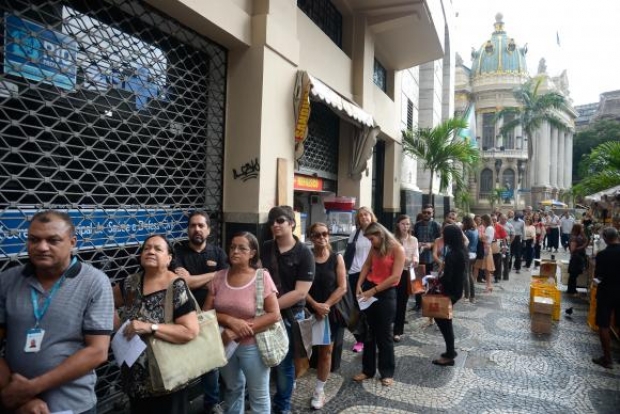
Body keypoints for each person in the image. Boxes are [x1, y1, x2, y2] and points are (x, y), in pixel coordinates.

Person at [0, 210, 114, 414]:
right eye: (34, 239)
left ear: (72, 242)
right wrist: (18, 396)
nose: (42, 247)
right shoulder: (7, 280)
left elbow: (97, 351)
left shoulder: (95, 282)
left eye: (53, 240)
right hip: (17, 404)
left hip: (73, 406)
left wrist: (31, 388)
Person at [114, 235, 200, 414]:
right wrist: (117, 327)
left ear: (169, 258)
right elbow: (105, 301)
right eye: (147, 248)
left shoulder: (176, 286)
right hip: (135, 380)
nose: (151, 251)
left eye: (158, 249)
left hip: (167, 379)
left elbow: (190, 331)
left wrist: (150, 327)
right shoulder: (130, 282)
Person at [205, 232, 281, 414]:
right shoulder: (218, 277)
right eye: (232, 247)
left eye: (242, 248)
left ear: (252, 253)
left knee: (259, 394)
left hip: (252, 346)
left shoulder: (261, 278)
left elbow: (274, 314)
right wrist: (229, 321)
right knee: (232, 389)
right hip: (225, 343)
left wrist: (238, 331)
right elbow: (206, 312)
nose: (235, 251)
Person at [261, 206, 314, 414]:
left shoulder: (304, 253)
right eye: (272, 221)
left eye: (280, 221)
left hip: (290, 315)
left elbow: (300, 293)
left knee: (284, 366)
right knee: (261, 361)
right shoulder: (265, 247)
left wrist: (270, 309)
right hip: (264, 314)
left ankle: (282, 406)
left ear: (292, 223)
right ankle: (260, 401)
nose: (275, 225)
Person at [173, 211, 228, 414]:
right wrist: (214, 274)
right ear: (188, 230)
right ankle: (181, 406)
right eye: (193, 226)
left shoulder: (218, 253)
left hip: (210, 315)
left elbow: (224, 280)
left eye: (201, 225)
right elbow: (182, 282)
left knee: (210, 363)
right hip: (182, 316)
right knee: (182, 362)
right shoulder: (178, 252)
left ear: (208, 229)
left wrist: (194, 279)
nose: (197, 229)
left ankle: (212, 403)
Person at [352, 222, 405, 387]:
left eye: (372, 238)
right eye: (368, 239)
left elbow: (395, 277)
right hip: (370, 288)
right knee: (368, 332)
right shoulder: (375, 248)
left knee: (384, 335)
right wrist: (359, 284)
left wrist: (373, 291)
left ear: (381, 234)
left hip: (385, 293)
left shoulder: (397, 249)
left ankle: (387, 372)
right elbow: (367, 265)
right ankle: (367, 370)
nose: (370, 242)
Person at [305, 223, 346, 409]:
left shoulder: (337, 258)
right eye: (317, 235)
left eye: (325, 234)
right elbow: (299, 286)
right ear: (311, 238)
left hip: (329, 312)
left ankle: (319, 390)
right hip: (307, 310)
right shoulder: (306, 258)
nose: (322, 237)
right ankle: (292, 383)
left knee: (325, 352)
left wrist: (326, 306)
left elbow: (342, 287)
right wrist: (314, 305)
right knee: (301, 351)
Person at [431, 224, 466, 366]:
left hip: (449, 292)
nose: (443, 237)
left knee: (444, 321)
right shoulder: (461, 250)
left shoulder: (453, 254)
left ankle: (450, 354)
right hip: (456, 290)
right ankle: (450, 351)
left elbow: (448, 277)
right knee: (445, 320)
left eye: (444, 234)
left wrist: (436, 280)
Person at [345, 206, 377, 353]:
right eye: (361, 215)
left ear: (371, 216)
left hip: (369, 275)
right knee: (356, 309)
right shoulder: (355, 234)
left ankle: (371, 337)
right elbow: (349, 253)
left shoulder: (377, 233)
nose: (364, 217)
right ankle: (360, 339)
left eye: (366, 215)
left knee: (368, 307)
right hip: (353, 274)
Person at [592, 227, 620, 369]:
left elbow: (598, 277)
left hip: (606, 293)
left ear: (605, 238)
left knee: (604, 325)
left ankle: (607, 358)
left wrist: (595, 282)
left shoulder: (602, 254)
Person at [393, 215, 419, 342]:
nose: (406, 226)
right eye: (403, 224)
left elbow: (416, 258)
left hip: (406, 273)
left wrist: (412, 260)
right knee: (391, 302)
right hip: (392, 273)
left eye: (408, 224)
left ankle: (398, 330)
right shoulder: (393, 239)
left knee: (402, 303)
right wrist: (408, 260)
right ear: (398, 224)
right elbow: (391, 258)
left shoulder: (413, 240)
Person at [412, 204, 441, 310]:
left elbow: (440, 241)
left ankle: (429, 304)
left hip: (431, 259)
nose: (426, 214)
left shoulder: (436, 225)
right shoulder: (417, 225)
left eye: (429, 212)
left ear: (432, 213)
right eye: (424, 212)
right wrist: (417, 244)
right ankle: (418, 303)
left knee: (430, 282)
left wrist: (431, 244)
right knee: (418, 282)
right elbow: (413, 239)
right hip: (418, 257)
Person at [473, 214, 495, 293]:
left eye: (482, 220)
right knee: (483, 268)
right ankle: (488, 286)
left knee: (487, 269)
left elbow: (484, 238)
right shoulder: (489, 228)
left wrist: (480, 237)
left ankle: (488, 286)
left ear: (485, 220)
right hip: (485, 248)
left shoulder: (489, 228)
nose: (481, 222)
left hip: (486, 249)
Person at [566, 224, 589, 296]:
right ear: (577, 229)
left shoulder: (579, 236)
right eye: (581, 228)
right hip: (575, 258)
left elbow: (586, 240)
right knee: (573, 275)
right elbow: (573, 250)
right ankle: (571, 290)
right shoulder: (574, 237)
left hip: (578, 258)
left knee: (574, 275)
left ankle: (573, 289)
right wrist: (583, 246)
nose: (583, 229)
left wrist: (583, 234)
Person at [462, 215, 478, 303]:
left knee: (466, 275)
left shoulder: (467, 232)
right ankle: (472, 296)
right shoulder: (475, 230)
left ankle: (467, 296)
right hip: (474, 254)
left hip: (468, 254)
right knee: (470, 274)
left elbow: (464, 242)